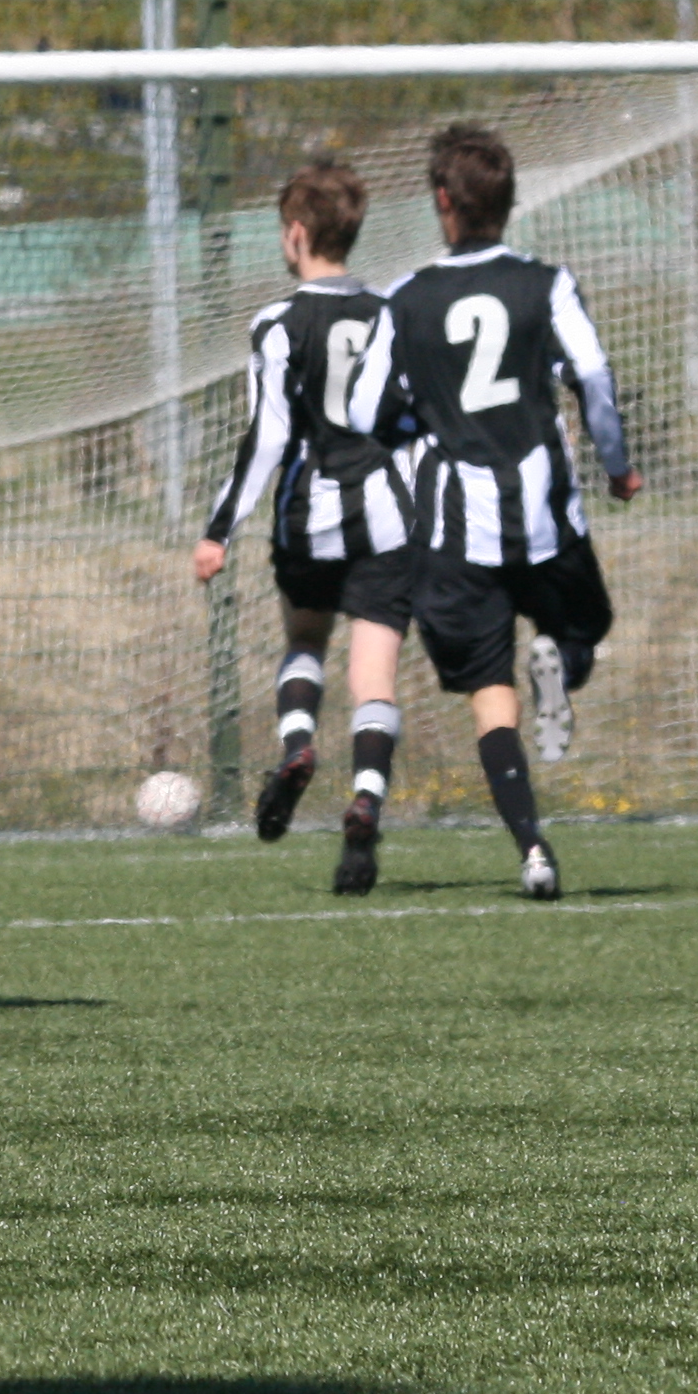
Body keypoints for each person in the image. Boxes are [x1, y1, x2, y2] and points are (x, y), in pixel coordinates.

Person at [340, 120, 638, 902]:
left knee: (489, 695)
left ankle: (533, 851)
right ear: (508, 201)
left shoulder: (406, 298)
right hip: (544, 514)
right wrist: (618, 465)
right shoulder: (547, 283)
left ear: (442, 201)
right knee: (584, 628)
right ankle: (562, 658)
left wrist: (417, 419)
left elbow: (365, 409)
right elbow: (592, 375)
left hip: (456, 530)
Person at [193, 157, 420, 892]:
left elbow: (267, 437)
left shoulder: (277, 323)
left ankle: (297, 746)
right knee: (375, 672)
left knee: (304, 640)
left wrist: (219, 530)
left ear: (295, 234)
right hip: (386, 516)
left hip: (309, 516)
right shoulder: (391, 315)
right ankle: (367, 799)